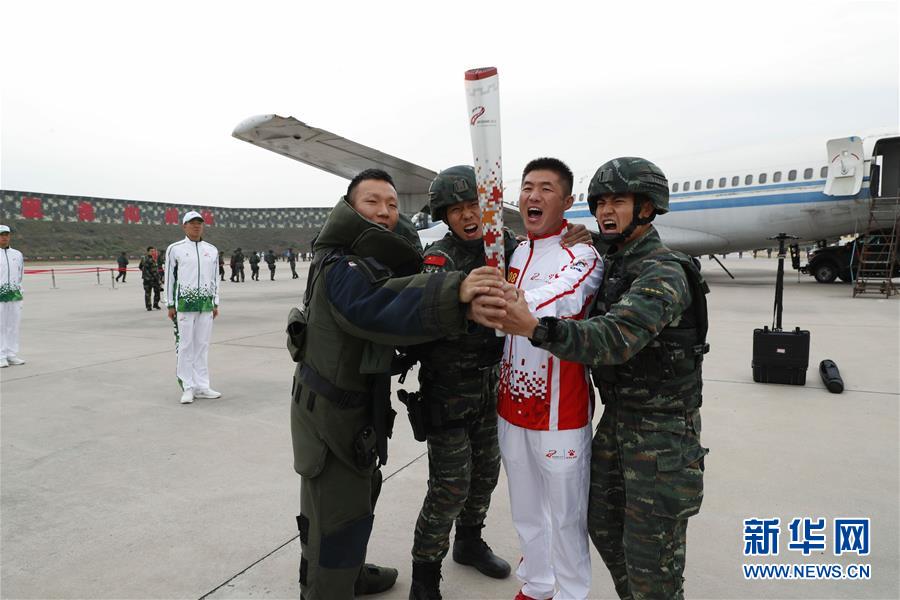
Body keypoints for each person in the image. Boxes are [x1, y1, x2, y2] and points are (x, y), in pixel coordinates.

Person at [476, 157, 710, 600]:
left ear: (646, 207)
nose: (606, 211)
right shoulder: (605, 256)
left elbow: (612, 335)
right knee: (600, 524)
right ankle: (548, 583)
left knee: (648, 554)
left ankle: (576, 593)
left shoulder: (660, 269)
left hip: (659, 432)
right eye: (600, 201)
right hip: (615, 420)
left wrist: (529, 320)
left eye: (618, 201)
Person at [288, 168, 503, 600]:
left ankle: (345, 572)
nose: (385, 211)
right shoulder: (343, 265)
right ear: (350, 206)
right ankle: (328, 589)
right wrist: (455, 290)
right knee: (336, 507)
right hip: (332, 409)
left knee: (353, 496)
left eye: (391, 204)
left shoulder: (356, 257)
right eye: (373, 202)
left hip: (348, 404)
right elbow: (377, 304)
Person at [498, 158, 604, 600]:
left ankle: (571, 593)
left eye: (545, 188)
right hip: (512, 404)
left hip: (560, 410)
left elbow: (562, 297)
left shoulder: (583, 254)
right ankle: (537, 585)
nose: (533, 196)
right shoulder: (518, 251)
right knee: (525, 509)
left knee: (564, 514)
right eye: (527, 187)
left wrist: (512, 302)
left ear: (567, 201)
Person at [165, 211, 222, 405]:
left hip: (206, 305)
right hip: (184, 305)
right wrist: (170, 304)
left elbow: (216, 278)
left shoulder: (211, 250)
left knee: (202, 346)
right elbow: (169, 278)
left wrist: (215, 302)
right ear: (184, 226)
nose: (196, 226)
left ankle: (202, 386)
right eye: (192, 223)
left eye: (199, 223)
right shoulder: (175, 249)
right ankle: (188, 387)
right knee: (186, 345)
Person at [0, 224, 26, 368]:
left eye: (6, 234)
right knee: (0, 326)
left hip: (14, 295)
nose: (4, 237)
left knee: (12, 325)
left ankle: (11, 353)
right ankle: (0, 355)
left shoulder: (17, 254)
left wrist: (19, 291)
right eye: (1, 234)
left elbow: (20, 274)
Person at [140, 246, 163, 311]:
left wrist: (145, 272)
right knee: (148, 293)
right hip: (150, 279)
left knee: (156, 292)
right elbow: (154, 271)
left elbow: (140, 267)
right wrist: (146, 273)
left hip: (151, 279)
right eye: (151, 251)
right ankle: (150, 306)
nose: (153, 252)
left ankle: (154, 305)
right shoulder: (147, 259)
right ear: (148, 252)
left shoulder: (146, 258)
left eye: (154, 251)